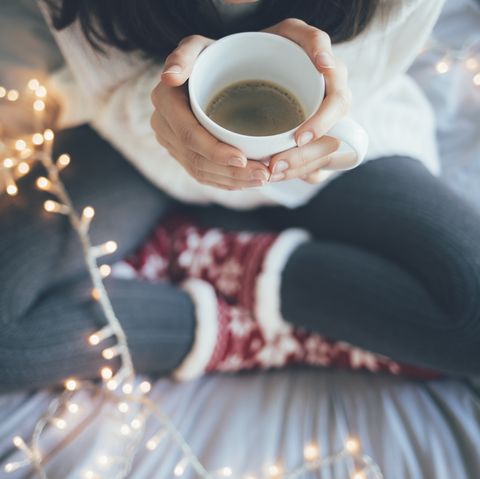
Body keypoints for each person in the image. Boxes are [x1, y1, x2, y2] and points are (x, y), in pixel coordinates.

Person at [1, 0, 479, 391]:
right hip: (134, 137)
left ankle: (237, 262)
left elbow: (361, 85)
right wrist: (165, 102)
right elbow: (104, 87)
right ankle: (233, 297)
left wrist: (325, 118)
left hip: (328, 147)